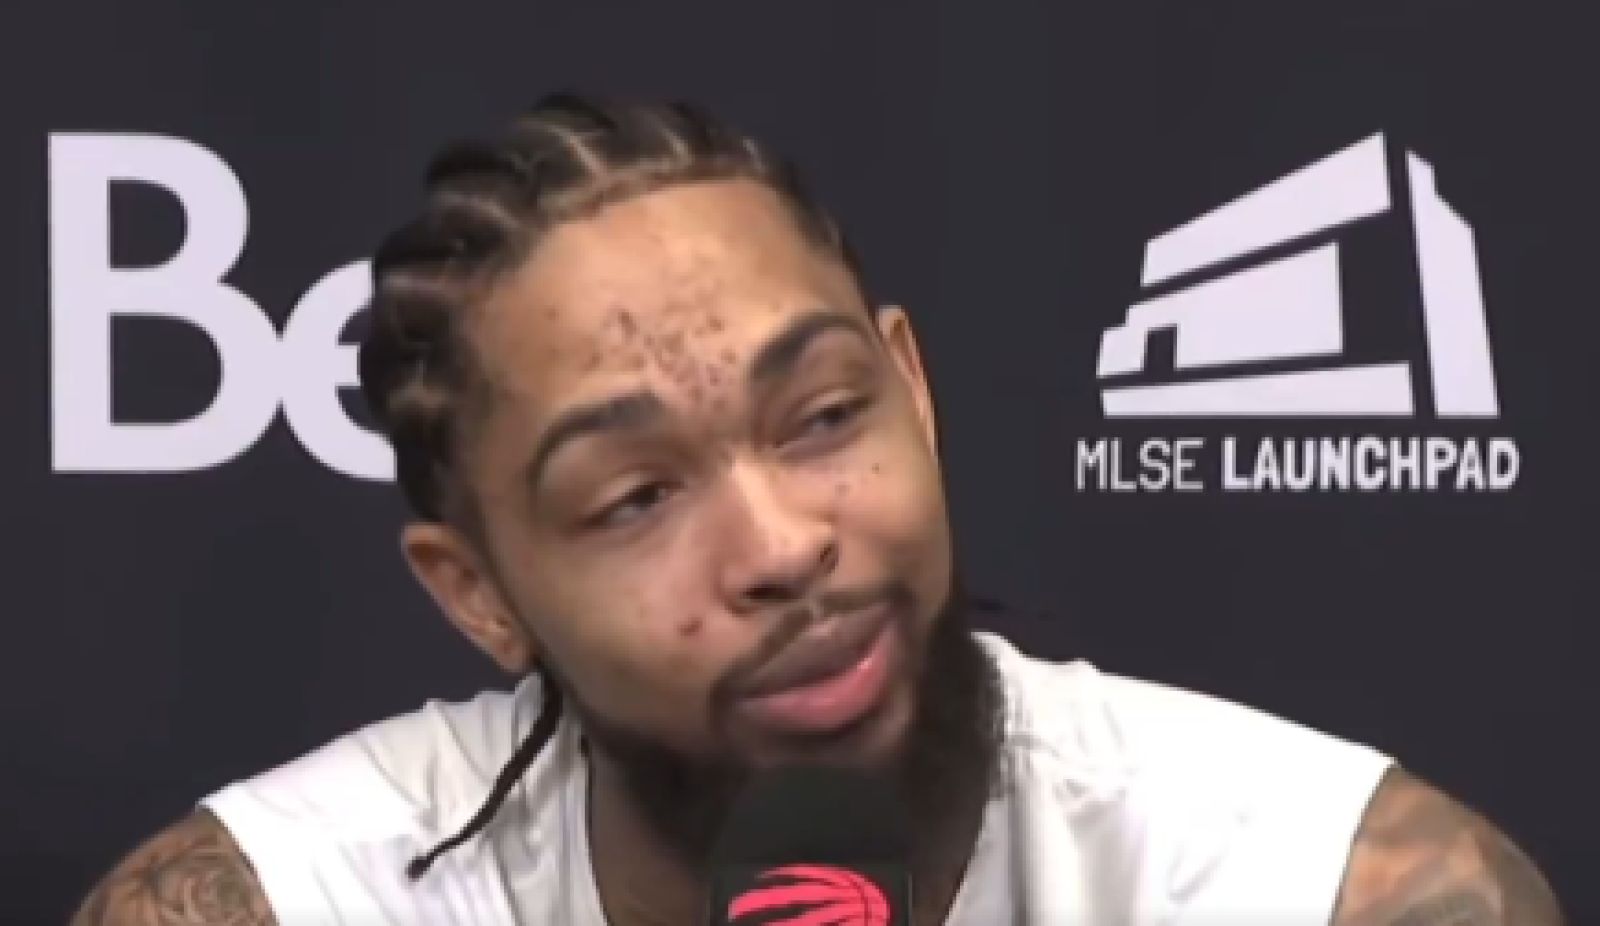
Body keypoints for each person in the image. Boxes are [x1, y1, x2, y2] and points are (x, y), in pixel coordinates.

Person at [71, 93, 1564, 926]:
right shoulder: (283, 904)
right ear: (480, 593)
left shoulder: (1325, 890)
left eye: (827, 416)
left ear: (914, 387)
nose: (785, 545)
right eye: (637, 495)